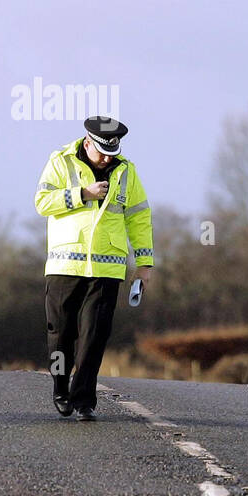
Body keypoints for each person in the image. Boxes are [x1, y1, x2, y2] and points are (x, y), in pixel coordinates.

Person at [34, 116, 154, 421]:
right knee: (60, 334)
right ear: (88, 142)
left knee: (94, 336)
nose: (106, 158)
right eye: (102, 151)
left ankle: (84, 399)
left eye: (111, 153)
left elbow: (139, 217)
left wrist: (144, 263)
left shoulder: (126, 170)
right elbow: (42, 202)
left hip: (107, 269)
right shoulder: (60, 162)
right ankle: (61, 388)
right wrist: (82, 194)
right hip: (65, 266)